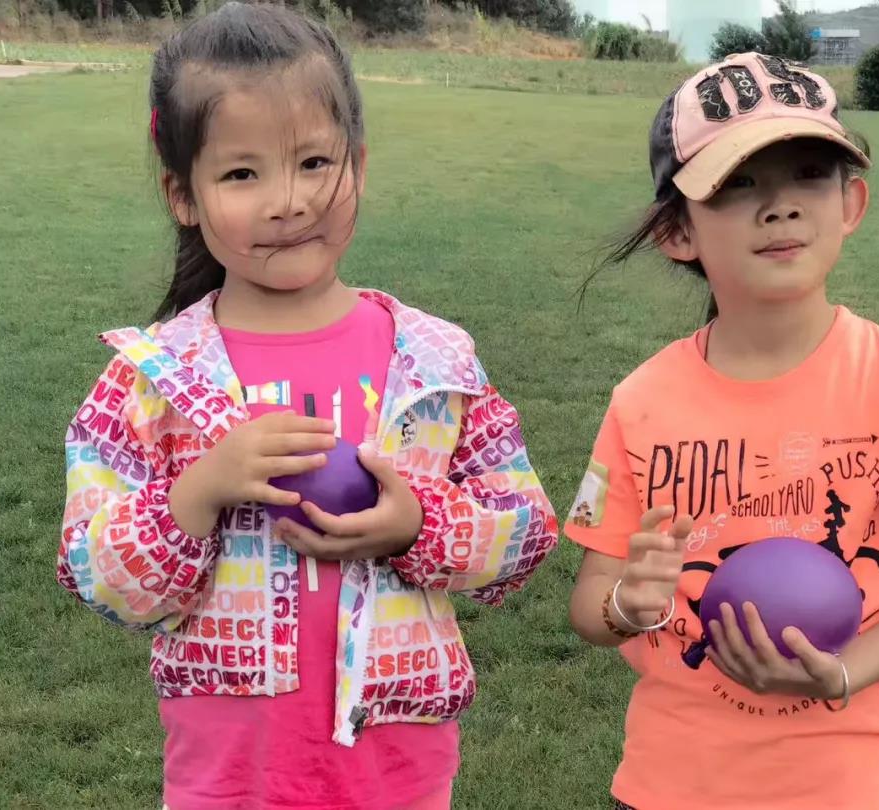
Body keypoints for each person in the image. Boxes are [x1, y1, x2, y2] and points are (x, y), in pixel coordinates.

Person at [56, 5, 558, 808]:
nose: (287, 202)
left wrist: (418, 526)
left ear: (358, 165)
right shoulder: (152, 380)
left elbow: (526, 529)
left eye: (314, 162)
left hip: (398, 778)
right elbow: (98, 577)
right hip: (229, 782)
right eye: (241, 174)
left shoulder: (436, 361)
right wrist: (199, 491)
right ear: (183, 194)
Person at [565, 52, 879, 810]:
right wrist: (626, 604)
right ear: (677, 232)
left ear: (851, 203)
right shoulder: (640, 401)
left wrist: (845, 671)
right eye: (738, 184)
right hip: (673, 783)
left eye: (809, 175)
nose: (781, 206)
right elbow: (592, 600)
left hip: (854, 783)